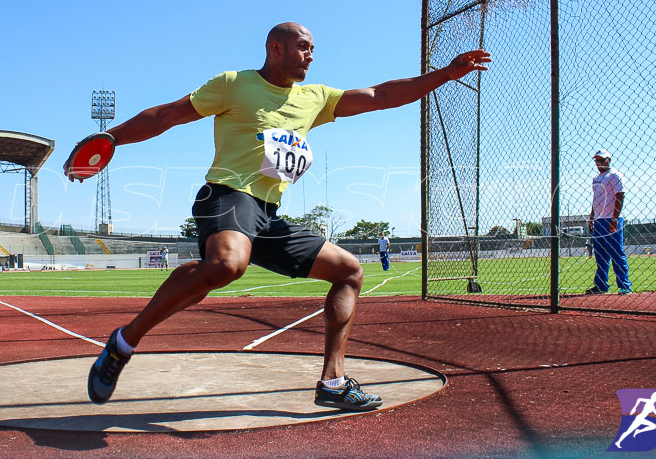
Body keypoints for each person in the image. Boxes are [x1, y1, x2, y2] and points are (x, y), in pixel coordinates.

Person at [78, 22, 490, 411]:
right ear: (276, 47)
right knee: (227, 264)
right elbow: (166, 115)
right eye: (303, 47)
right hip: (226, 195)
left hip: (268, 215)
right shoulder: (233, 84)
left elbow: (380, 95)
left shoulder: (316, 98)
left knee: (349, 272)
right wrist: (112, 137)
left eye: (313, 50)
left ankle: (333, 383)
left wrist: (444, 75)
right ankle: (123, 343)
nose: (310, 56)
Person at [585, 149, 632, 295]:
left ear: (608, 160)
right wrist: (592, 217)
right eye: (597, 160)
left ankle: (624, 285)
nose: (599, 163)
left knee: (617, 252)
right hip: (599, 220)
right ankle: (601, 285)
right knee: (600, 255)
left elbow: (620, 196)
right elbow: (595, 200)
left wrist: (615, 218)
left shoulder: (615, 175)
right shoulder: (596, 179)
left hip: (611, 219)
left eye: (601, 160)